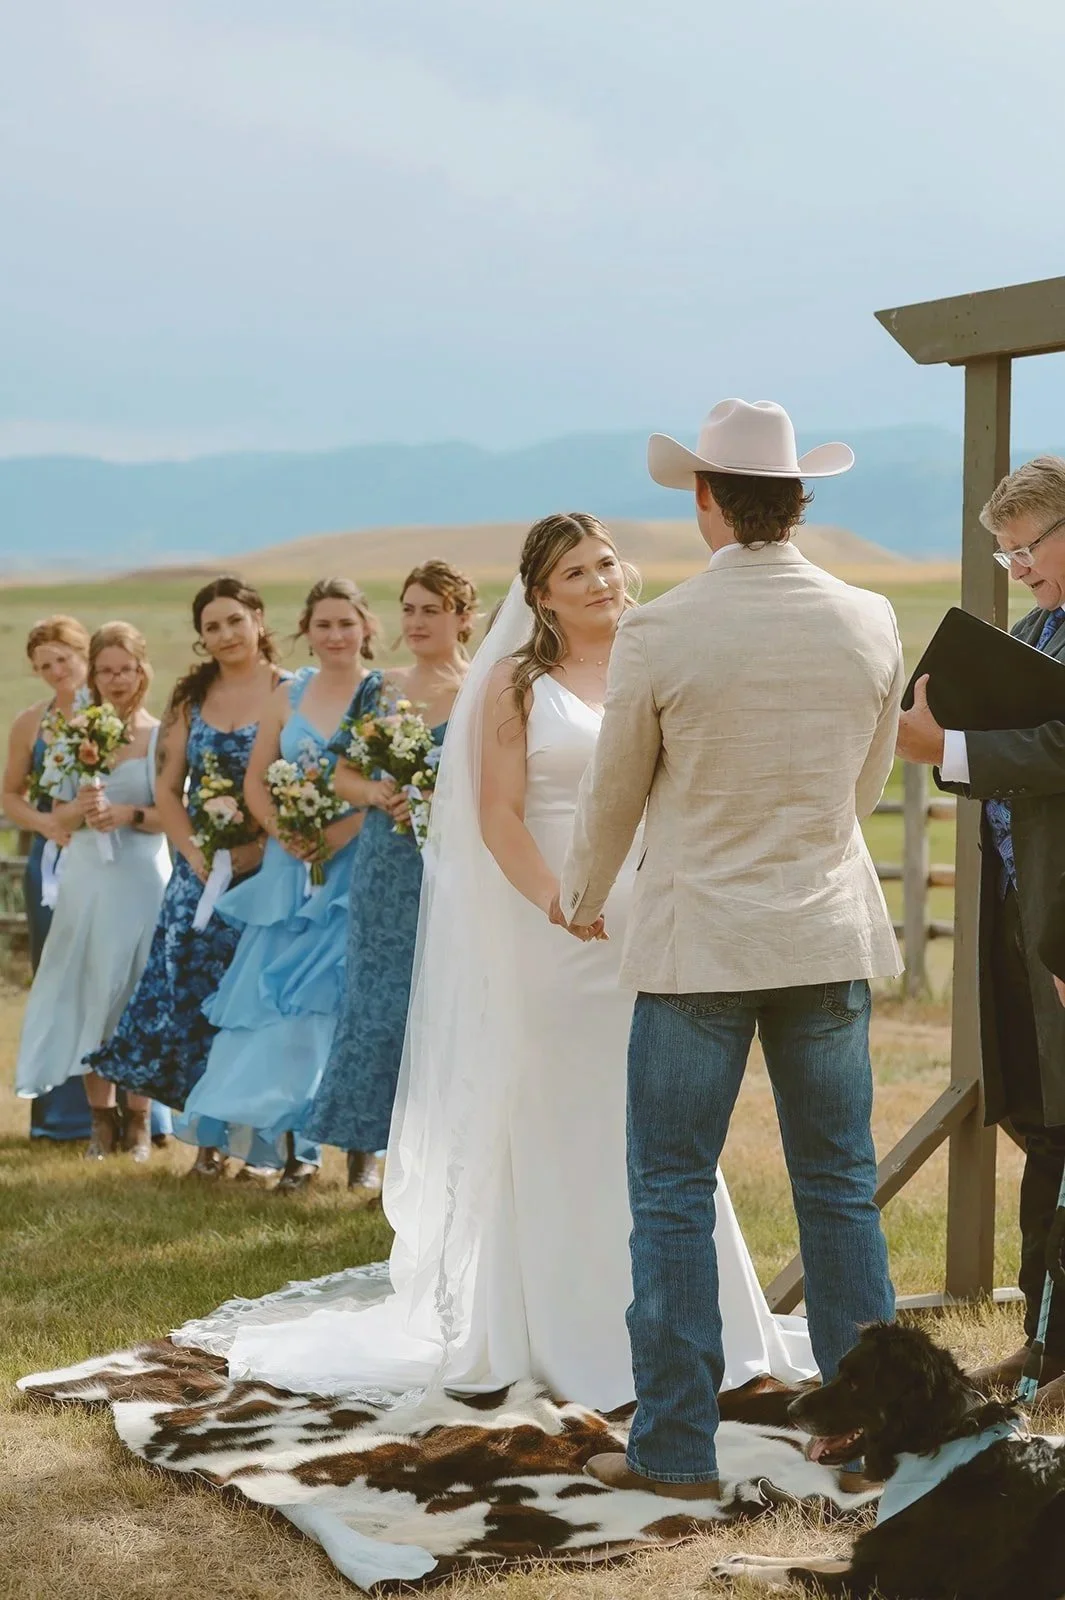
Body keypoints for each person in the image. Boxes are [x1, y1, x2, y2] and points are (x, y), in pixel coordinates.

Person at [168, 512, 815, 1438]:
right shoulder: (515, 684)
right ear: (540, 596)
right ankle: (566, 1338)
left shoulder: (653, 656)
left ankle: (709, 1334)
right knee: (566, 1113)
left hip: (657, 924)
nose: (599, 582)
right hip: (551, 928)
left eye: (604, 564)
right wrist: (559, 901)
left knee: (666, 1123)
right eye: (574, 573)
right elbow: (498, 818)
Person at [555, 401, 903, 1499]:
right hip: (823, 926)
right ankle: (868, 1432)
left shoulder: (663, 629)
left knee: (667, 1189)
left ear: (706, 498)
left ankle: (672, 1447)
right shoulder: (871, 616)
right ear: (798, 499)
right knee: (840, 1185)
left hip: (699, 941)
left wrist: (581, 892)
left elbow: (616, 788)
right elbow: (868, 785)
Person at [897, 454, 1065, 1410]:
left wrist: (948, 748)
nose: (1020, 571)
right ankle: (1041, 1342)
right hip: (1021, 920)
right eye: (1004, 557)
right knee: (1043, 1131)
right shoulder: (1039, 630)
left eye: (1026, 548)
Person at [173, 579, 379, 1192]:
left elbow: (399, 776)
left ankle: (364, 1157)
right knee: (280, 1012)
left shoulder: (385, 693)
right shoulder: (287, 695)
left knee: (350, 1008)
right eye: (323, 625)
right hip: (291, 871)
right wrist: (283, 833)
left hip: (357, 868)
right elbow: (257, 782)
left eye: (346, 623)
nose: (336, 635)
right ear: (304, 633)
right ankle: (296, 1153)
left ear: (366, 626)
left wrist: (341, 833)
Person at [86, 578, 288, 1179]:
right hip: (197, 878)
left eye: (234, 621)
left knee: (258, 1007)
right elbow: (169, 790)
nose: (224, 635)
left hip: (269, 871)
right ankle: (206, 1145)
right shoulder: (190, 697)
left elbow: (308, 782)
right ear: (202, 638)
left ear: (257, 619)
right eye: (212, 627)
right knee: (193, 1004)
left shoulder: (290, 692)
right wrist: (195, 855)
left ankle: (265, 1147)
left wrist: (261, 846)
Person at [307, 561, 477, 1200]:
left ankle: (440, 1153)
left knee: (444, 1003)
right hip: (385, 867)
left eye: (431, 609)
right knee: (375, 1003)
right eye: (408, 609)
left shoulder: (480, 690)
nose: (416, 622)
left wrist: (436, 798)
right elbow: (339, 773)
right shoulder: (380, 689)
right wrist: (378, 791)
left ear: (463, 616)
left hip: (454, 868)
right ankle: (364, 1151)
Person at [14, 622, 172, 1160]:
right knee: (88, 988)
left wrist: (129, 814)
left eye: (125, 669)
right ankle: (101, 1124)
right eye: (106, 671)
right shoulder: (70, 733)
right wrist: (75, 813)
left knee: (139, 990)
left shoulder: (162, 735)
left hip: (142, 873)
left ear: (141, 671)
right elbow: (53, 811)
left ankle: (143, 1122)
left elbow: (174, 814)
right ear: (95, 675)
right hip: (86, 874)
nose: (116, 679)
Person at [2, 615, 94, 1141]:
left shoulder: (116, 714)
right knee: (57, 979)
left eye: (65, 659)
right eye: (45, 666)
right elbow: (11, 793)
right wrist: (48, 825)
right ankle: (62, 1115)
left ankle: (134, 1115)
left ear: (85, 654)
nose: (57, 671)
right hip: (53, 863)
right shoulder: (29, 722)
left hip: (111, 856)